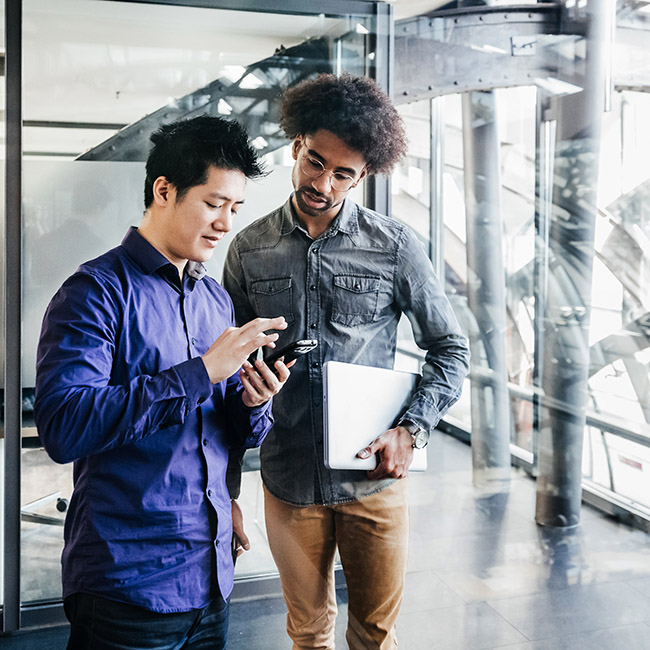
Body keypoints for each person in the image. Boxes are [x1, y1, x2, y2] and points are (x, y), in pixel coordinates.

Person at [222, 74, 471, 649]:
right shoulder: (248, 249)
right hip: (288, 478)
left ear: (364, 176)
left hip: (373, 482)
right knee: (308, 632)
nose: (322, 183)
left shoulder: (396, 245)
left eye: (343, 174)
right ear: (296, 144)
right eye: (315, 162)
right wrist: (228, 483)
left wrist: (412, 429)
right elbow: (225, 373)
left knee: (374, 636)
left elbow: (450, 349)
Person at [34, 115, 292, 650]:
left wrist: (253, 399)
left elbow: (228, 433)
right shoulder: (94, 293)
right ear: (164, 190)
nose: (226, 223)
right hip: (127, 584)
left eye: (235, 209)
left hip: (212, 576)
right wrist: (201, 373)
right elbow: (64, 427)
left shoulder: (214, 300)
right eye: (214, 203)